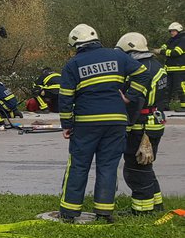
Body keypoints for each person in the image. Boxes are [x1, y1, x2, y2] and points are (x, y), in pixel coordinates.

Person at [58, 24, 150, 223]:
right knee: (108, 166)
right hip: (116, 121)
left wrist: (66, 123)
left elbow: (65, 97)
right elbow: (143, 73)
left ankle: (69, 212)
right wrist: (130, 96)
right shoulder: (118, 56)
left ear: (75, 44)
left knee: (79, 165)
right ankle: (104, 212)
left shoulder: (73, 64)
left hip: (86, 123)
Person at [116, 32, 169, 215]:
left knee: (135, 168)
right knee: (146, 164)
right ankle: (156, 203)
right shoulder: (157, 65)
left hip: (141, 125)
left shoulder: (139, 69)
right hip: (155, 122)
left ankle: (142, 210)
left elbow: (135, 101)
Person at [154, 22, 185, 111]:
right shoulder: (171, 40)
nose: (171, 33)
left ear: (178, 31)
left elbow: (176, 52)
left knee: (180, 87)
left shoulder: (183, 40)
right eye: (170, 31)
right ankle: (164, 105)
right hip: (169, 69)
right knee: (166, 88)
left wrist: (162, 52)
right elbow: (164, 47)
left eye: (173, 31)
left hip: (180, 69)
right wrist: (158, 50)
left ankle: (184, 105)